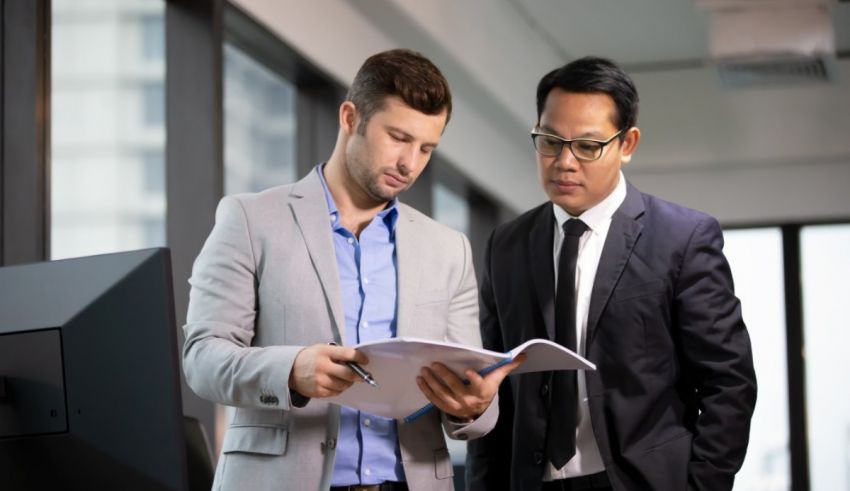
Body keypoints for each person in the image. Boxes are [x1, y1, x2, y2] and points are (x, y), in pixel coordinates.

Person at [182, 49, 521, 491]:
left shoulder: (448, 249)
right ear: (349, 117)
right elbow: (202, 358)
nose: (410, 163)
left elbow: (475, 403)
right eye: (398, 137)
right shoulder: (250, 219)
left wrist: (472, 405)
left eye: (426, 148)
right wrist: (291, 370)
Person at [465, 56, 757, 491]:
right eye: (550, 141)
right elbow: (490, 384)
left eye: (587, 146)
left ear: (627, 144)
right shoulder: (506, 245)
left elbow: (728, 383)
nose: (564, 161)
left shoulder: (682, 239)